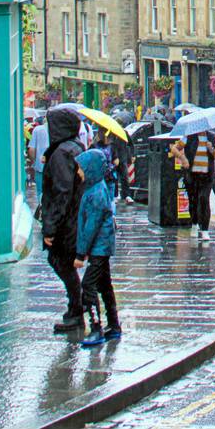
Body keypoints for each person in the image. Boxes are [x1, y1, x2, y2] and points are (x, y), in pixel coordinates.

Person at [40, 108, 87, 333]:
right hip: (77, 217)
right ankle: (76, 309)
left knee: (60, 262)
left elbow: (61, 192)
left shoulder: (61, 153)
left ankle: (77, 310)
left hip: (67, 222)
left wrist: (50, 227)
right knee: (64, 263)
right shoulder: (77, 147)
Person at [73, 149, 122, 348]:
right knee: (104, 284)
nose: (78, 172)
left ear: (90, 169)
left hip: (99, 248)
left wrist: (80, 253)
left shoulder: (95, 193)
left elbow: (90, 226)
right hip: (101, 246)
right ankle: (114, 325)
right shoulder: (95, 188)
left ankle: (96, 328)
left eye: (81, 169)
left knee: (88, 285)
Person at [172, 130, 215, 239]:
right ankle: (194, 223)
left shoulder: (212, 137)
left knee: (204, 199)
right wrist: (183, 158)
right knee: (193, 201)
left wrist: (211, 149)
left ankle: (205, 230)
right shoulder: (189, 136)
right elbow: (174, 148)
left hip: (207, 175)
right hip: (192, 175)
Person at [28, 118, 50, 203]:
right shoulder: (60, 129)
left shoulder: (37, 130)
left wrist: (34, 162)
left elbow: (32, 149)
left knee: (41, 192)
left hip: (40, 167)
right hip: (55, 168)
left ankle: (41, 211)